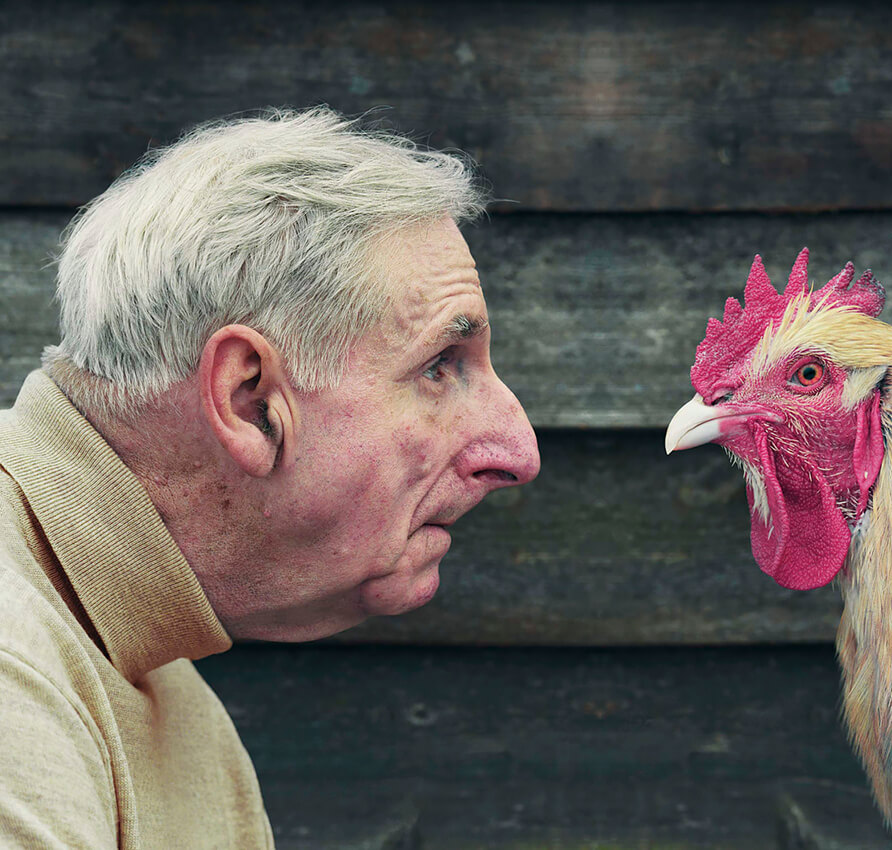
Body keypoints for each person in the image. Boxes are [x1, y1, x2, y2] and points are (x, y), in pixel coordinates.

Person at [0, 108, 540, 847]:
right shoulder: (14, 661)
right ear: (250, 400)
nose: (516, 450)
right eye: (439, 367)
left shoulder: (157, 680)